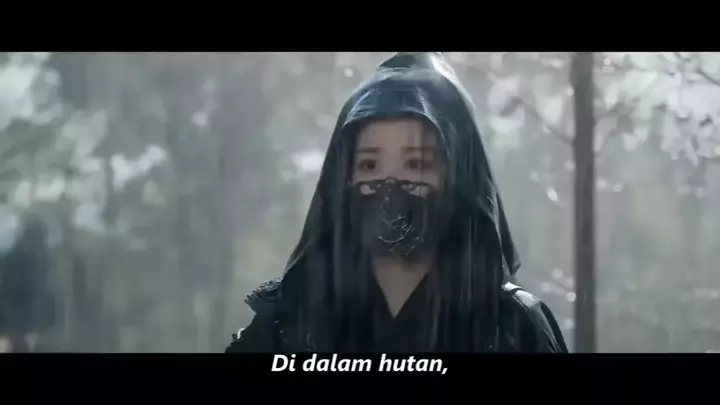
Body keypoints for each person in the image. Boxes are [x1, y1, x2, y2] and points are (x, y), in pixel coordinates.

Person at [226, 52, 568, 353]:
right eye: (369, 165)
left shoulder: (512, 330)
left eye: (415, 163)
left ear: (456, 180)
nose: (389, 185)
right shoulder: (288, 326)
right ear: (343, 179)